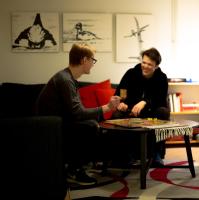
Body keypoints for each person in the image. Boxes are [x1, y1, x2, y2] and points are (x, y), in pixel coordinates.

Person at [35, 43, 121, 186]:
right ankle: (74, 170)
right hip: (49, 127)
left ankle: (75, 167)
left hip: (57, 122)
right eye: (92, 60)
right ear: (83, 60)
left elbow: (76, 111)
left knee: (90, 124)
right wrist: (107, 108)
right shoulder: (65, 80)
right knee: (89, 127)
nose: (93, 64)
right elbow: (77, 113)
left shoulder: (69, 78)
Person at [113, 47, 170, 167]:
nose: (145, 66)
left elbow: (160, 99)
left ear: (156, 66)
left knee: (163, 112)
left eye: (150, 64)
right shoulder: (131, 73)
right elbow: (121, 92)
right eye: (144, 62)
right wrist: (121, 103)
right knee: (117, 115)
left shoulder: (161, 78)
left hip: (151, 112)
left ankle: (156, 154)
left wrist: (145, 102)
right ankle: (124, 156)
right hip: (130, 111)